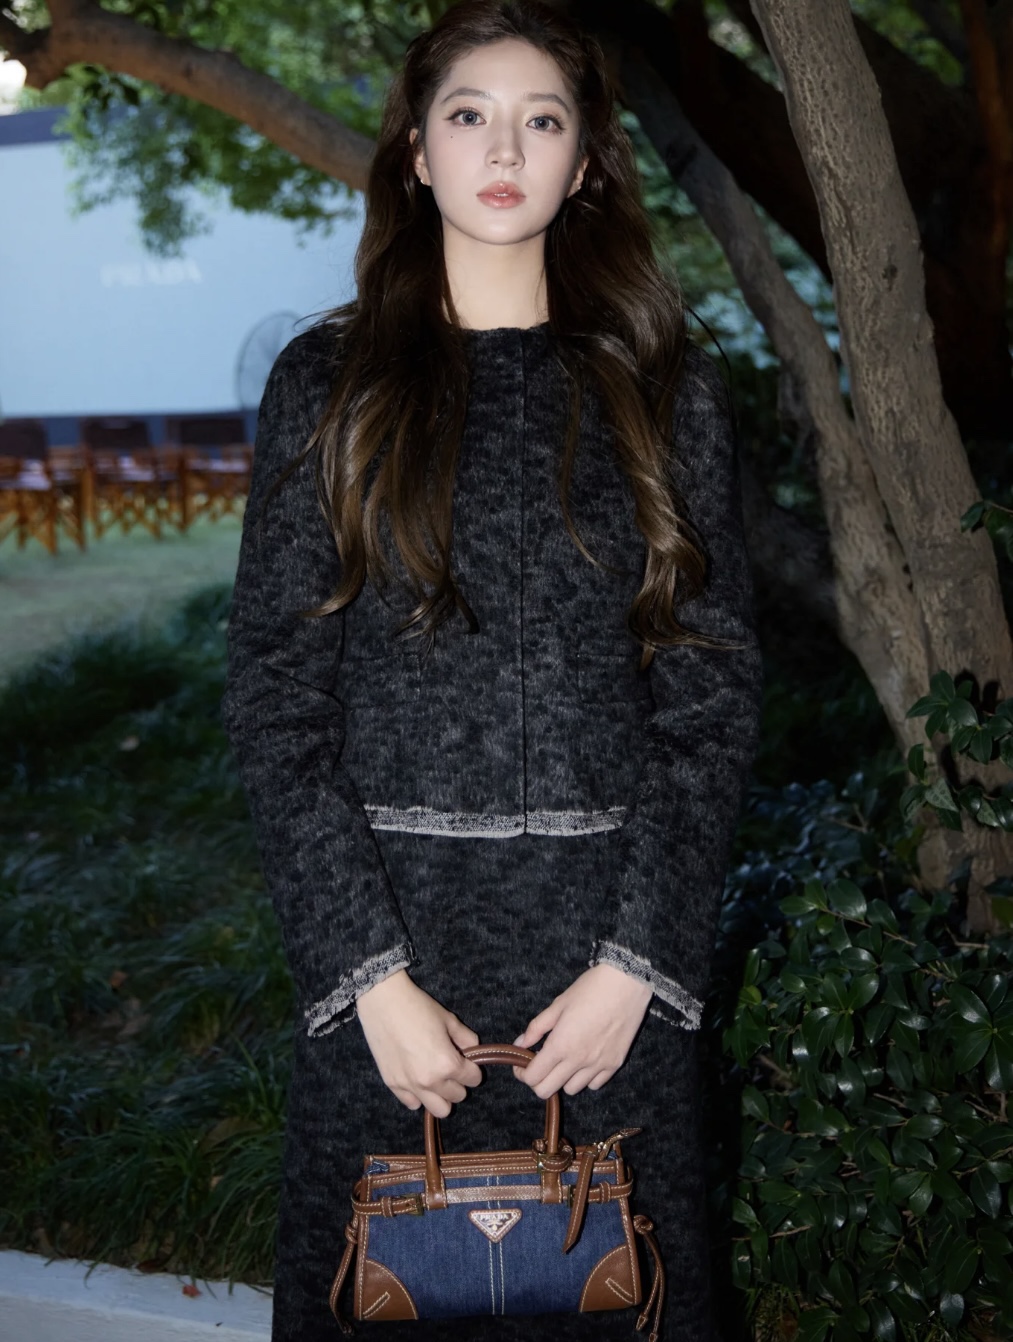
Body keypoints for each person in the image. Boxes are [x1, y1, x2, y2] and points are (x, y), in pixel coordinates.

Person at [221, 1, 764, 1338]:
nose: (503, 147)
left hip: (606, 982)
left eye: (542, 118)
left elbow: (710, 697)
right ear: (417, 152)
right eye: (468, 114)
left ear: (585, 163)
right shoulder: (327, 384)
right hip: (395, 976)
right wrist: (367, 976)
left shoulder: (664, 388)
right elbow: (277, 699)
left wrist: (638, 965)